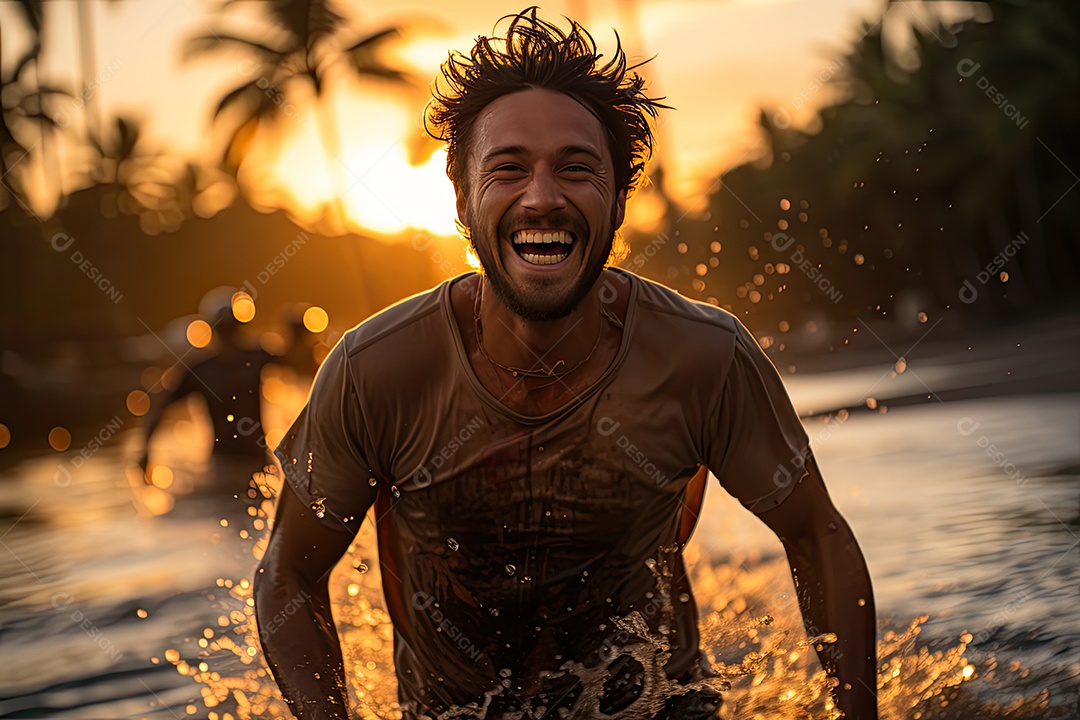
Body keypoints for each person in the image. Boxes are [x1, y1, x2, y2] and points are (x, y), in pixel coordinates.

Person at [255, 9, 878, 719]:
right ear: (461, 199)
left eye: (576, 169)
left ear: (617, 201)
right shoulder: (377, 370)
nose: (542, 196)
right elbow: (290, 575)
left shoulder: (703, 356)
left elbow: (816, 531)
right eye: (509, 168)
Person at [138, 305, 274, 502]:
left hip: (257, 459)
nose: (228, 336)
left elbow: (299, 363)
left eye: (232, 328)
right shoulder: (201, 371)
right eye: (224, 329)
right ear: (214, 330)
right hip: (223, 463)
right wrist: (145, 451)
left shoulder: (255, 358)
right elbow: (161, 406)